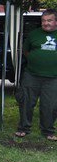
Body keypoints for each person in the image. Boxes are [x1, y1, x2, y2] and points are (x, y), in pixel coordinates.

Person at [15, 9, 57, 141]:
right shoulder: (34, 34)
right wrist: (36, 60)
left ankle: (48, 131)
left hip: (53, 78)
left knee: (50, 105)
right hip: (32, 75)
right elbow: (26, 51)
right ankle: (23, 128)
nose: (46, 23)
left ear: (56, 21)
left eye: (49, 20)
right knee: (26, 102)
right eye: (43, 20)